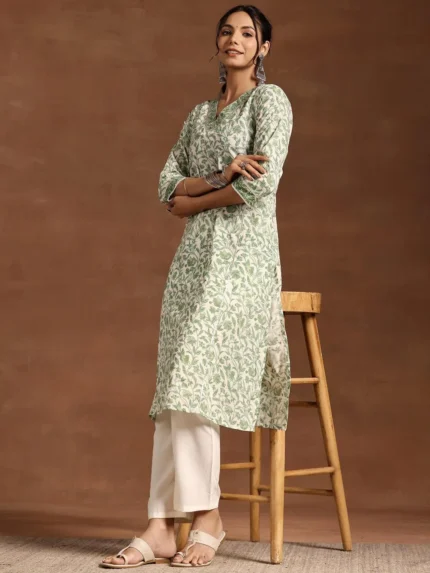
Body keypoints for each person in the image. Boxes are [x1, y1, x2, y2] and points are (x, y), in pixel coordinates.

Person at [100, 4, 293, 569]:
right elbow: (166, 188)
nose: (235, 39)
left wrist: (198, 199)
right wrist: (220, 175)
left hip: (242, 263)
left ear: (263, 48)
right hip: (191, 266)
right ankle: (161, 526)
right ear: (217, 43)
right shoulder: (199, 115)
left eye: (248, 33)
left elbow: (260, 188)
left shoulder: (270, 102)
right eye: (227, 31)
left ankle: (206, 517)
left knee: (190, 377)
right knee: (172, 389)